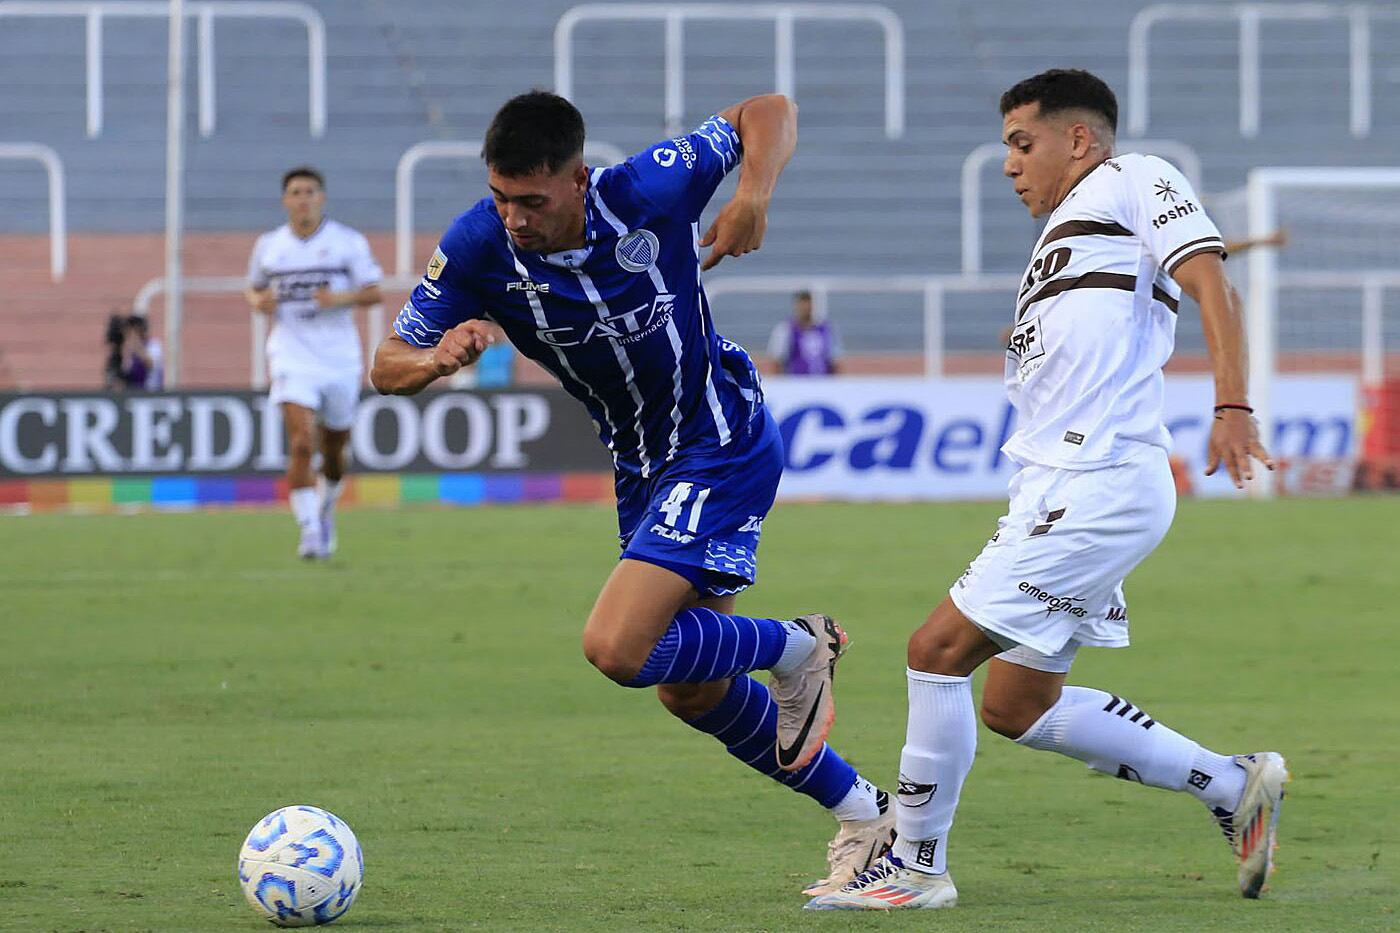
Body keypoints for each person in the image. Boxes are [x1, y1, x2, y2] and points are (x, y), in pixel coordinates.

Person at [370, 90, 896, 894]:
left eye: (533, 201)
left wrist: (751, 195)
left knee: (617, 649)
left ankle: (800, 646)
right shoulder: (479, 246)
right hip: (642, 468)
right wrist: (436, 360)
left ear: (579, 179)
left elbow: (768, 109)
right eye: (502, 197)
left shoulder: (647, 190)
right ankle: (867, 815)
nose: (515, 217)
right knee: (692, 688)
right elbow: (385, 365)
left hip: (719, 435)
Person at [809, 69, 1287, 911]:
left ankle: (916, 867)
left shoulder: (1134, 176)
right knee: (1017, 704)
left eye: (1021, 144)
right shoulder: (1066, 236)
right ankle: (1230, 781)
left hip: (1097, 482)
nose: (1008, 165)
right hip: (1058, 486)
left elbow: (1212, 278)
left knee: (935, 651)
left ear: (1079, 139)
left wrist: (1234, 404)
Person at [246, 167, 383, 560]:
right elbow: (254, 290)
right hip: (291, 353)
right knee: (302, 443)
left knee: (336, 450)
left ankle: (325, 508)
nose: (303, 198)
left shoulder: (346, 242)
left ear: (321, 198)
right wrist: (259, 303)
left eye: (309, 191)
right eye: (295, 192)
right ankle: (308, 529)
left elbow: (373, 292)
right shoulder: (269, 246)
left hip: (338, 357)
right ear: (285, 200)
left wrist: (338, 299)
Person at [767, 290, 841, 375]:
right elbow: (777, 361)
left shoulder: (826, 329)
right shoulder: (786, 330)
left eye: (808, 304)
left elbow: (834, 361)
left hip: (823, 382)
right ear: (796, 306)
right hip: (797, 383)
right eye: (802, 304)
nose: (805, 308)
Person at [103, 313, 163, 391]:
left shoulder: (153, 345)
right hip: (133, 392)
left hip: (151, 392)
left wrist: (135, 343)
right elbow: (125, 371)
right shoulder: (126, 349)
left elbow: (150, 364)